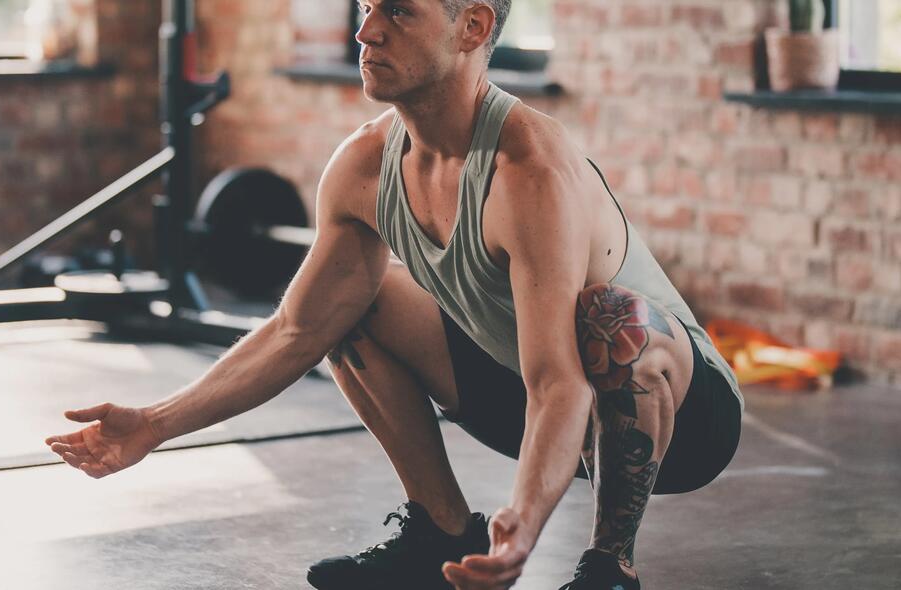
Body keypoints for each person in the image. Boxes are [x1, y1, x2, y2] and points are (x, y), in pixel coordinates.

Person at [44, 0, 743, 588]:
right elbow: (296, 330)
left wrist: (524, 525)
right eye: (369, 4)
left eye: (399, 11)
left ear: (470, 28)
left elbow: (562, 382)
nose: (366, 29)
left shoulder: (529, 170)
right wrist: (156, 424)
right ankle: (438, 528)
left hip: (675, 418)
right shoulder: (364, 166)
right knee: (352, 305)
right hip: (520, 398)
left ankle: (607, 568)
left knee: (609, 318)